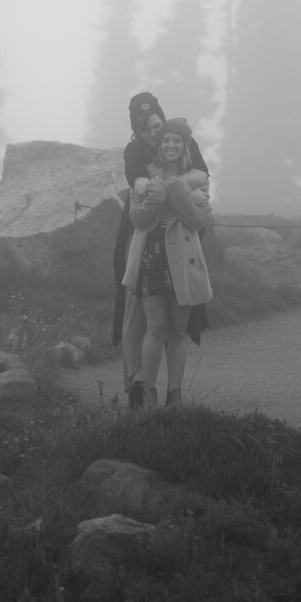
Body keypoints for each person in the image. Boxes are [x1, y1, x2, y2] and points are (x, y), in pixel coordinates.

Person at [112, 93, 209, 407]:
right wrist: (151, 192)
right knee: (142, 321)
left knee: (176, 329)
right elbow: (137, 204)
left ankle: (173, 394)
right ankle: (139, 388)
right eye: (149, 131)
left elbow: (201, 209)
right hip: (149, 252)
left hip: (182, 252)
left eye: (159, 127)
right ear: (138, 132)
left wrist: (174, 189)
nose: (158, 137)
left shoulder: (183, 144)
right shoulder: (138, 156)